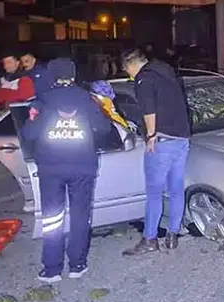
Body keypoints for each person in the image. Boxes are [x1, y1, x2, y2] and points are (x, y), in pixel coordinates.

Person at [21, 58, 113, 283]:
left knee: (52, 217)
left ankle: (52, 269)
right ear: (73, 75)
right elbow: (104, 127)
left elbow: (29, 134)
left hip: (51, 168)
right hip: (82, 166)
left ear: (52, 76)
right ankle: (77, 265)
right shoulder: (86, 98)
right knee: (81, 215)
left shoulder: (41, 101)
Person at [120, 48, 191, 255]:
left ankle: (150, 238)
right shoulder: (167, 73)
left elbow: (148, 110)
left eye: (127, 70)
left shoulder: (144, 78)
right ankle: (172, 236)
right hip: (181, 139)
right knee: (176, 188)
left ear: (132, 65)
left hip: (162, 140)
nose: (129, 75)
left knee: (154, 193)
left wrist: (151, 136)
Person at [0, 52, 36, 117]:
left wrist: (6, 97)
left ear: (17, 63)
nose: (5, 66)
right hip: (6, 115)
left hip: (19, 116)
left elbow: (23, 99)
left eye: (9, 62)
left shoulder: (26, 78)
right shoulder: (5, 79)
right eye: (4, 63)